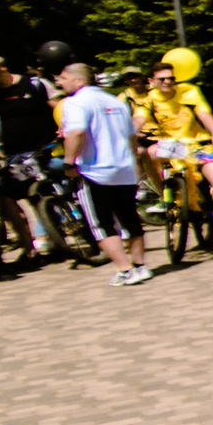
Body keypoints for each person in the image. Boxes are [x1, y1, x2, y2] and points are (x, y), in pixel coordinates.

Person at [55, 63, 151, 284]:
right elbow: (131, 135)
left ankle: (125, 269)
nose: (60, 82)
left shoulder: (75, 102)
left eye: (63, 78)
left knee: (101, 223)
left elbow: (76, 132)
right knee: (130, 218)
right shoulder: (115, 101)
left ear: (79, 80)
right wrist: (133, 161)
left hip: (94, 170)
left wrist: (69, 161)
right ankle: (140, 265)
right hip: (123, 167)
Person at [134, 59, 213, 228]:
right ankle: (165, 196)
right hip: (175, 147)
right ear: (151, 81)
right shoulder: (148, 100)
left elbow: (204, 112)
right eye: (162, 79)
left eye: (171, 78)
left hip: (199, 145)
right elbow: (138, 119)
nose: (167, 82)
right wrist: (130, 132)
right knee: (150, 153)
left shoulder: (189, 92)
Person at [0, 54, 61, 266]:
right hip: (15, 156)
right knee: (6, 197)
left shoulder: (34, 85)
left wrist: (64, 127)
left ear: (2, 69)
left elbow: (59, 105)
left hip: (47, 149)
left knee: (47, 194)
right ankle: (29, 249)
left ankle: (60, 239)